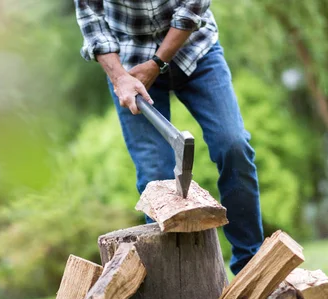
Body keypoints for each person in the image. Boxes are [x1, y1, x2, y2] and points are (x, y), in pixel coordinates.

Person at [74, 0, 264, 275]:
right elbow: (94, 25)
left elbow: (192, 7)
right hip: (129, 65)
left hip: (195, 49)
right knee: (155, 175)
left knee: (232, 144)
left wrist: (158, 62)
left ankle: (252, 266)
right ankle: (179, 284)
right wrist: (119, 78)